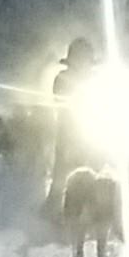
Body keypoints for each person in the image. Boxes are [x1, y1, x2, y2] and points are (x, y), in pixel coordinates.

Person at [44, 36, 99, 210]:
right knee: (63, 175)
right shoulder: (62, 79)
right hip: (68, 135)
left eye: (86, 60)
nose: (84, 64)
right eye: (81, 59)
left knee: (94, 173)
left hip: (92, 134)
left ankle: (92, 211)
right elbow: (61, 101)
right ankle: (55, 210)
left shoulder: (95, 81)